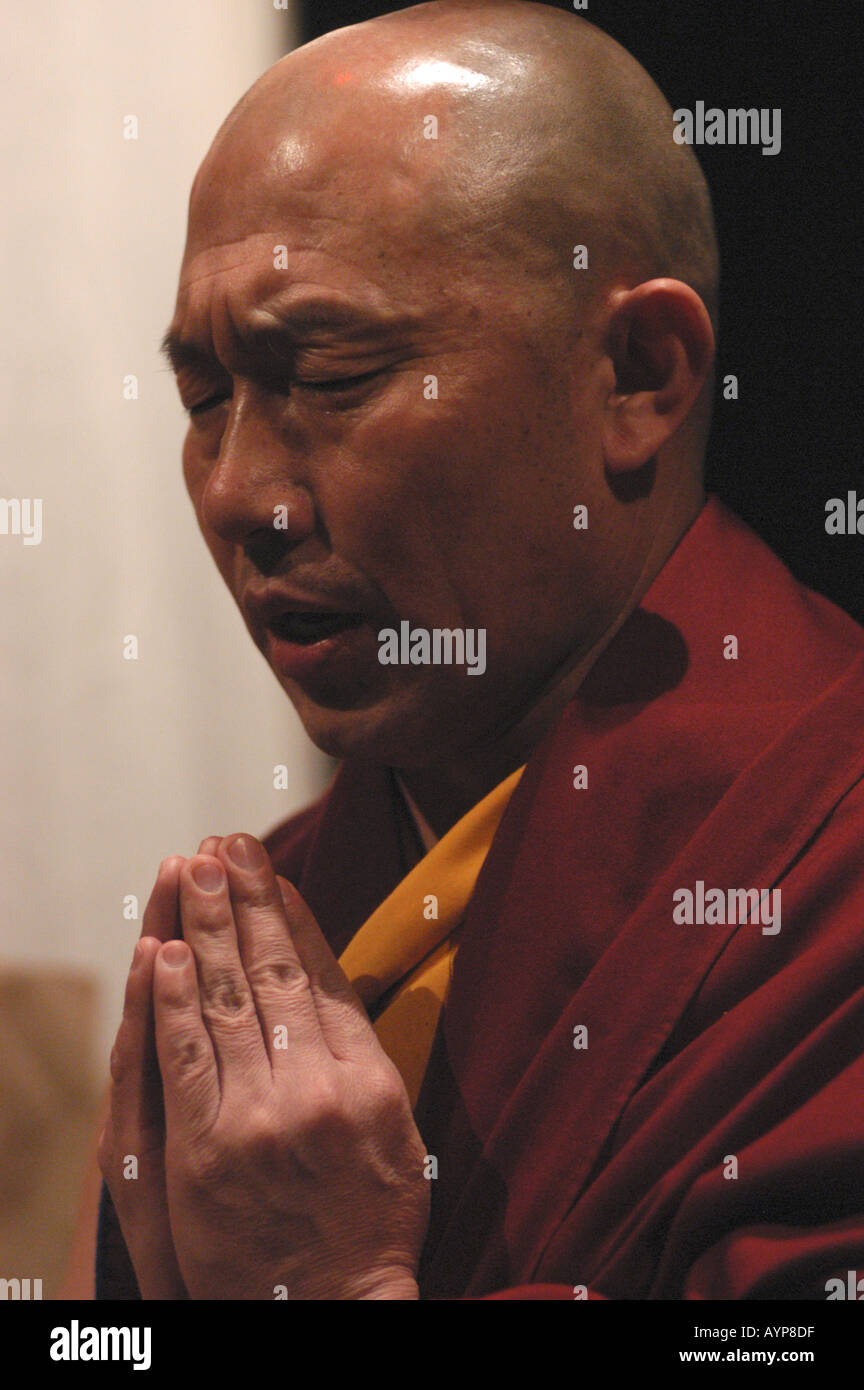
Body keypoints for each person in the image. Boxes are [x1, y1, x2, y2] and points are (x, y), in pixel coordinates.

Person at [75, 0, 864, 1299]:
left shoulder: (820, 883)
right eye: (206, 398)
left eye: (326, 377)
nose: (238, 495)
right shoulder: (283, 923)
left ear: (638, 374)